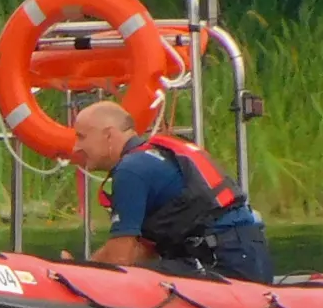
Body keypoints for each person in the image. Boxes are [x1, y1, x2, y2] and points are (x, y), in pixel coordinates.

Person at [67, 100, 274, 283]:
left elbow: (121, 257)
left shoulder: (131, 170)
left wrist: (78, 277)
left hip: (226, 263)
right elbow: (141, 250)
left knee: (136, 281)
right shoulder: (151, 159)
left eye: (82, 137)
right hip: (247, 256)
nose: (76, 147)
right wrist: (85, 268)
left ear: (109, 135)